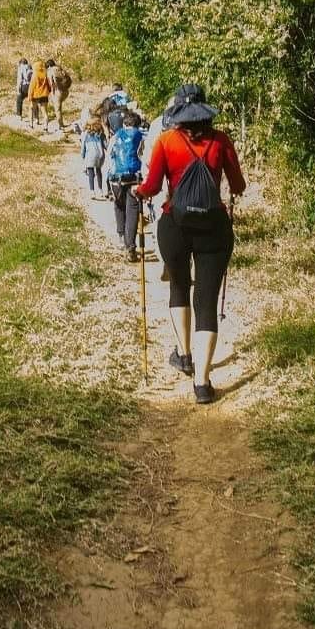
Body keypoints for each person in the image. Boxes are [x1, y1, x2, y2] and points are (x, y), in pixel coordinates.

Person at [134, 84, 245, 405]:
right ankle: (202, 383)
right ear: (205, 111)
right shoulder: (221, 141)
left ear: (178, 114)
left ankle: (184, 355)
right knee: (206, 302)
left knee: (179, 288)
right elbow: (237, 185)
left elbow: (152, 187)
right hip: (215, 229)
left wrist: (138, 193)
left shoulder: (167, 141)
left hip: (175, 226)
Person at [106, 109, 145, 262]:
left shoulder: (116, 135)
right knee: (132, 211)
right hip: (134, 178)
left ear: (124, 123)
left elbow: (109, 155)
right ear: (138, 124)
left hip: (116, 178)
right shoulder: (141, 136)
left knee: (119, 205)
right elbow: (144, 156)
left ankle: (121, 237)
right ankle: (131, 247)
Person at [80, 117, 107, 198]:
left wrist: (83, 155)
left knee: (91, 172)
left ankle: (92, 191)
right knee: (99, 171)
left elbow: (83, 146)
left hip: (90, 155)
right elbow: (106, 145)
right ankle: (100, 190)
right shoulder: (101, 134)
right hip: (100, 155)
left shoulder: (85, 134)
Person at [46, 59, 72, 130]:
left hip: (57, 91)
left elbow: (51, 83)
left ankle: (60, 125)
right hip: (66, 91)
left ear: (48, 66)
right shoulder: (60, 69)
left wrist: (51, 92)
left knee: (57, 109)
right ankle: (61, 123)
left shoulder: (50, 71)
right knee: (59, 107)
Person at [27, 59, 52, 129]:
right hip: (44, 94)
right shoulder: (45, 74)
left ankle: (31, 124)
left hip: (36, 94)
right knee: (44, 111)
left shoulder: (35, 74)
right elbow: (49, 84)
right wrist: (48, 91)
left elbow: (32, 86)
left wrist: (29, 95)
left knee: (31, 109)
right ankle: (46, 127)